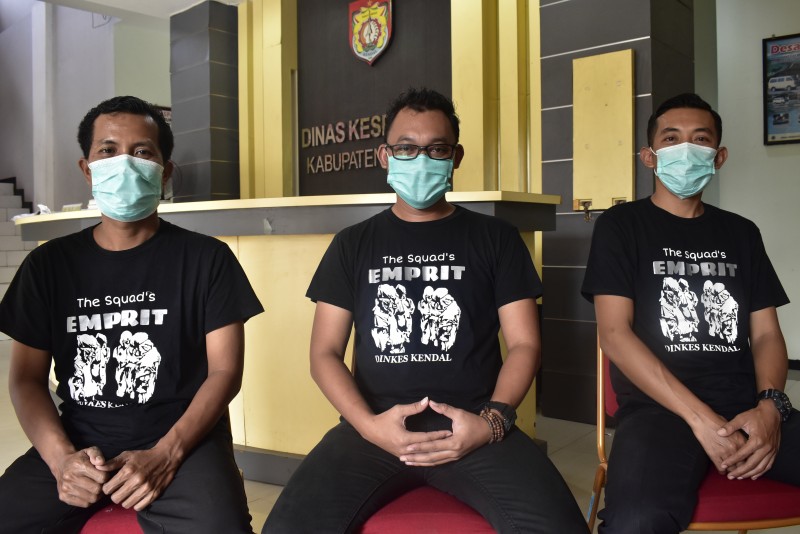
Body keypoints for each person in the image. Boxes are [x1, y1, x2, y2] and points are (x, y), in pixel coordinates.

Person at [263, 88, 586, 533]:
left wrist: (492, 421)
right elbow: (324, 354)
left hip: (475, 426)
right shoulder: (352, 244)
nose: (421, 159)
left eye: (436, 148)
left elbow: (525, 344)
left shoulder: (497, 239)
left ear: (456, 156)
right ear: (385, 156)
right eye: (406, 148)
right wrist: (369, 426)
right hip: (374, 428)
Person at [0, 95, 264, 533]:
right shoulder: (48, 267)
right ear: (87, 168)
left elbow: (225, 372)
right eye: (108, 150)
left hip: (183, 440)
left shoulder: (207, 259)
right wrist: (61, 460)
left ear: (165, 171)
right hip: (81, 439)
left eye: (142, 152)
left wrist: (167, 454)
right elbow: (26, 379)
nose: (124, 163)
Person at [582, 93, 800, 533]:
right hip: (657, 410)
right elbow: (615, 334)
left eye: (700, 140)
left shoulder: (741, 233)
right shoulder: (620, 226)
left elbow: (765, 335)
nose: (686, 150)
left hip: (745, 405)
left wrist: (771, 408)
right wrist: (702, 420)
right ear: (649, 156)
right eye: (671, 138)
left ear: (718, 157)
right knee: (636, 520)